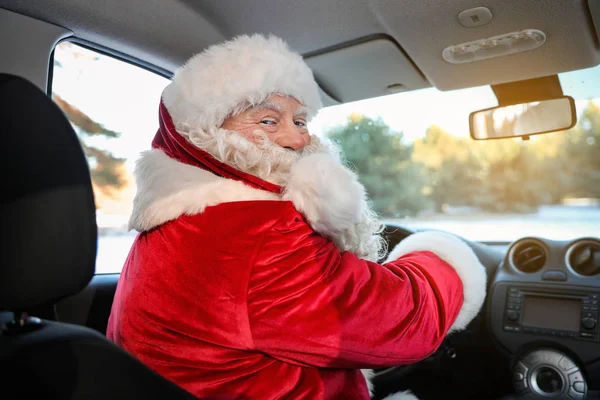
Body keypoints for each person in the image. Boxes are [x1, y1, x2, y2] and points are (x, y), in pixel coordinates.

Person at [107, 34, 487, 400]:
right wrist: (446, 258)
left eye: (301, 121)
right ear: (202, 134)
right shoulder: (251, 232)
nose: (298, 139)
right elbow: (400, 323)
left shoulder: (183, 221)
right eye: (268, 121)